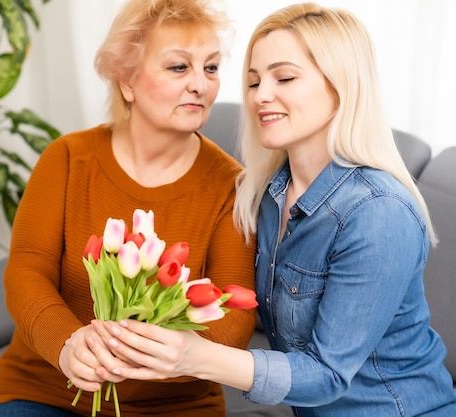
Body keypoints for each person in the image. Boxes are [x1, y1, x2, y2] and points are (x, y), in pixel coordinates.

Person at [88, 3, 456, 416]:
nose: (260, 95)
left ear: (341, 86)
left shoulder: (378, 212)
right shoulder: (263, 196)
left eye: (284, 77)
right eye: (253, 81)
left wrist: (193, 356)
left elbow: (327, 375)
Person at [0, 0, 258, 416]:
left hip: (174, 406)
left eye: (211, 67)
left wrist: (165, 354)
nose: (201, 85)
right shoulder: (66, 159)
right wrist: (67, 344)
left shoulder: (232, 187)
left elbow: (233, 319)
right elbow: (26, 269)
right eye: (178, 67)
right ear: (127, 80)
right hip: (47, 389)